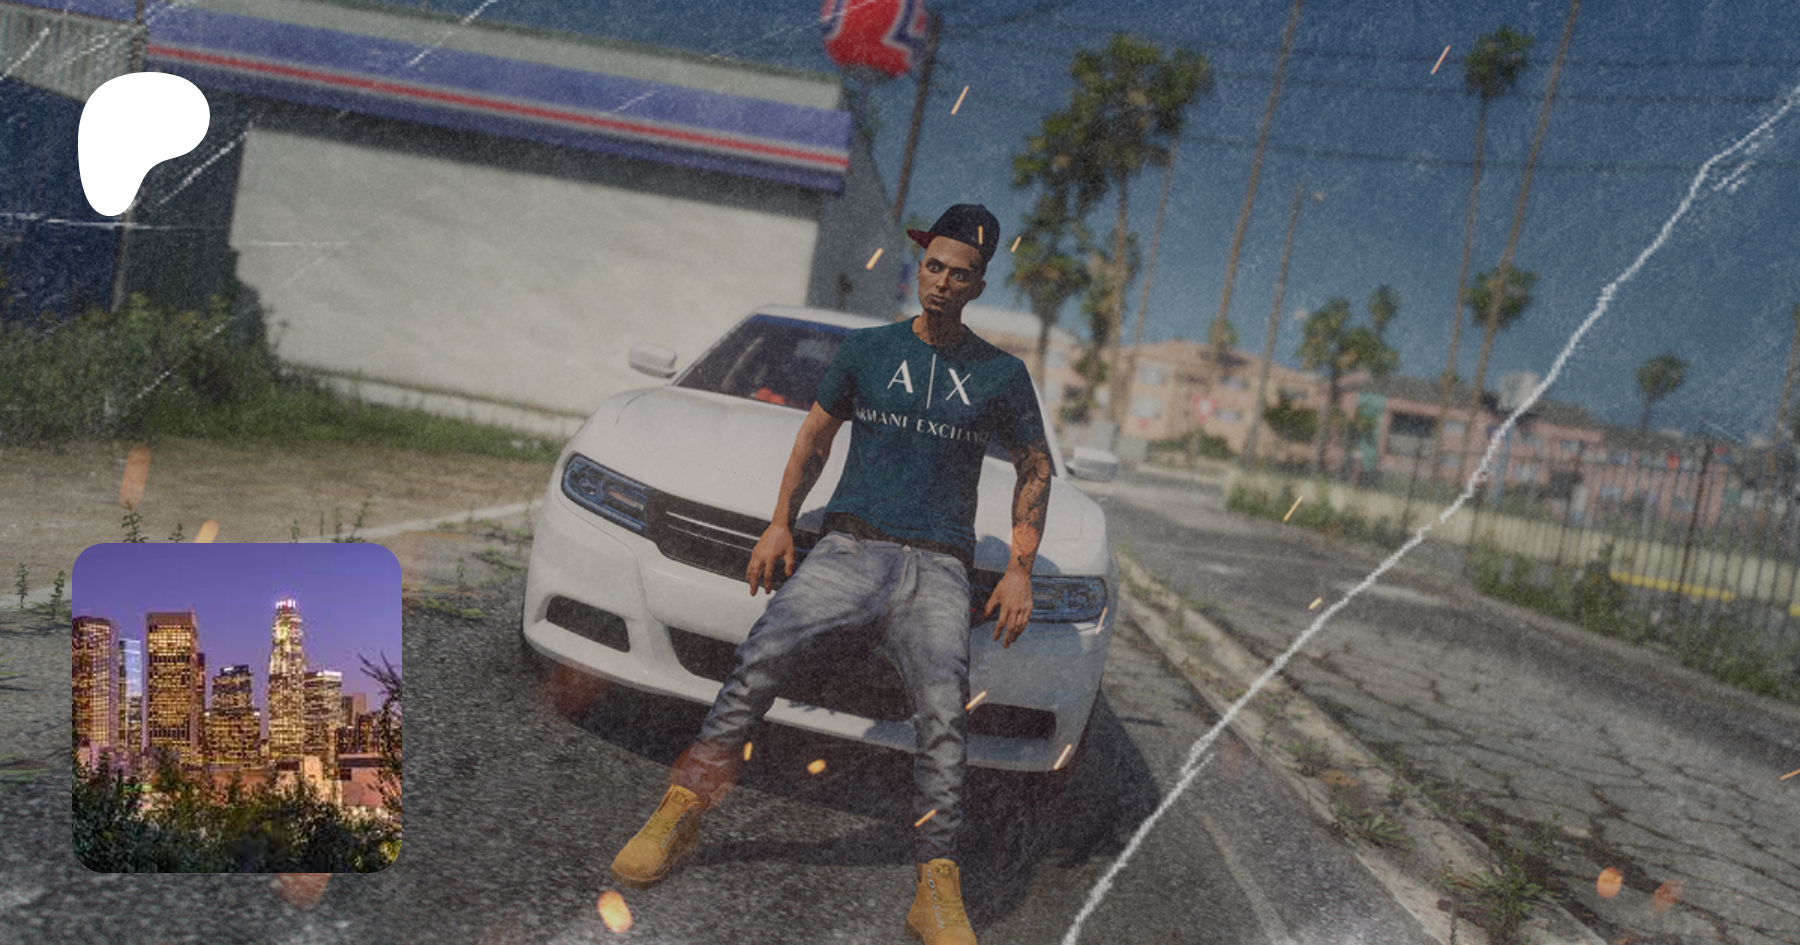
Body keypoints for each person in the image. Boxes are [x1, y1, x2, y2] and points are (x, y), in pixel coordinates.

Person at [608, 205, 1052, 945]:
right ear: (921, 268)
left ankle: (935, 883)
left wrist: (1020, 569)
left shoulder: (1001, 374)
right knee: (762, 653)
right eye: (934, 266)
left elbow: (1034, 468)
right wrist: (780, 522)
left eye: (960, 274)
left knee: (945, 715)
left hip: (940, 565)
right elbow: (815, 436)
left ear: (979, 285)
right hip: (848, 547)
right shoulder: (867, 349)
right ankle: (680, 810)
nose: (942, 282)